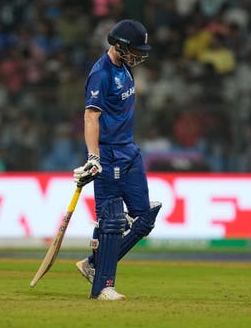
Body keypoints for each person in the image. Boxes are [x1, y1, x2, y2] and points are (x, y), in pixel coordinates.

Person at [73, 19, 162, 301]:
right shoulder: (101, 73)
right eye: (134, 49)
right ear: (120, 46)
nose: (139, 55)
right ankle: (102, 287)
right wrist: (93, 156)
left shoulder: (125, 68)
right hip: (109, 153)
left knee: (145, 218)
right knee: (112, 221)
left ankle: (93, 264)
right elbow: (91, 116)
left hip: (129, 151)